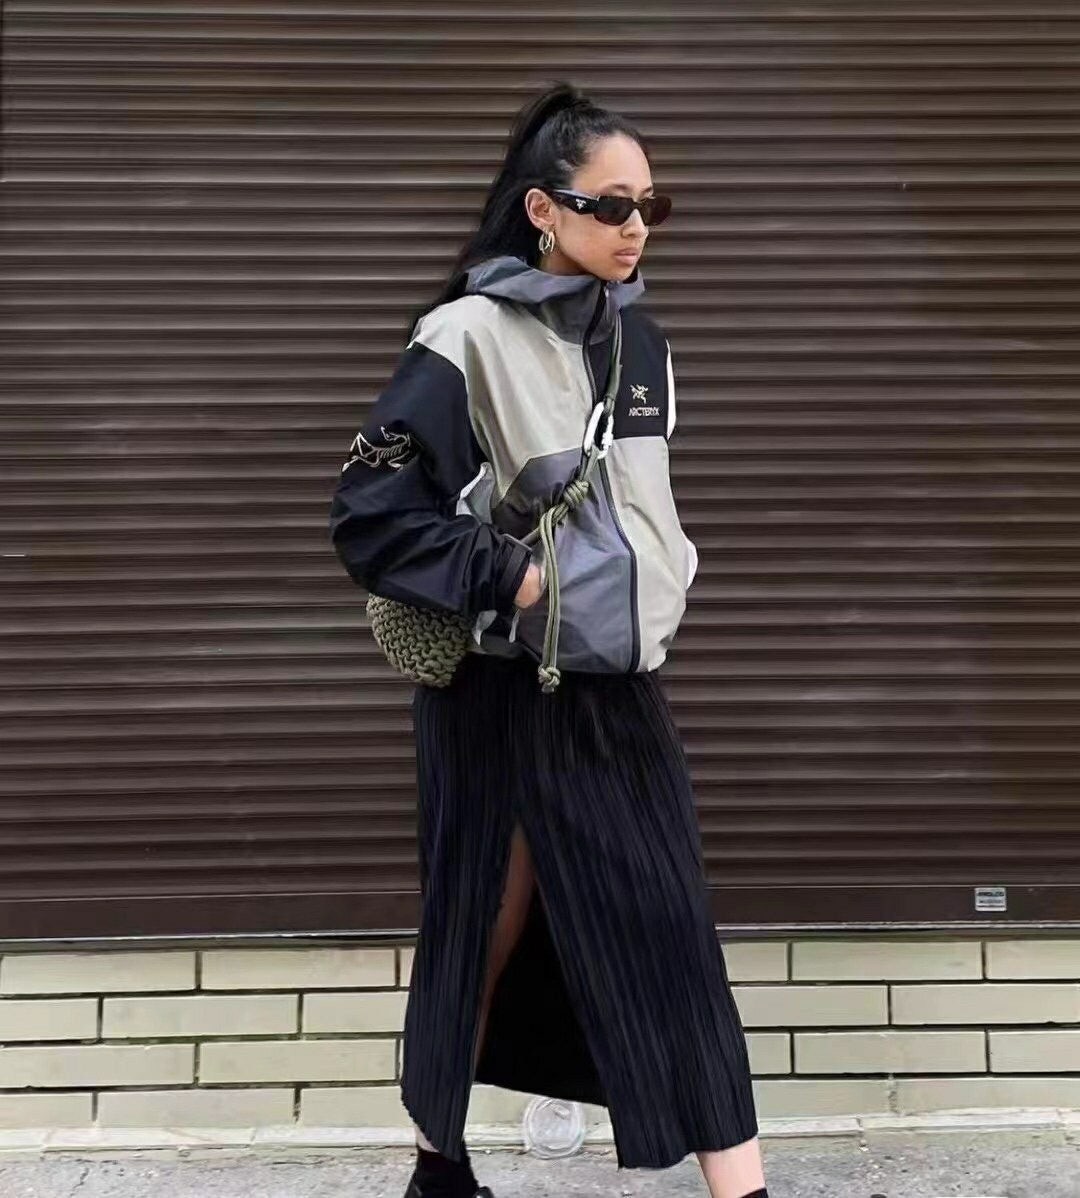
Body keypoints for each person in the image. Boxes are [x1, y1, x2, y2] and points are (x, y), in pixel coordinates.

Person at [329, 82, 770, 1198]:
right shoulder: (465, 337)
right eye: (609, 205)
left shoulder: (642, 346)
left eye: (650, 206)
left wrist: (664, 581)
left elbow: (642, 512)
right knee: (482, 923)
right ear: (543, 208)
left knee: (671, 930)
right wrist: (509, 574)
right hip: (499, 688)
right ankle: (438, 1169)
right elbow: (371, 513)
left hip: (614, 691)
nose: (635, 227)